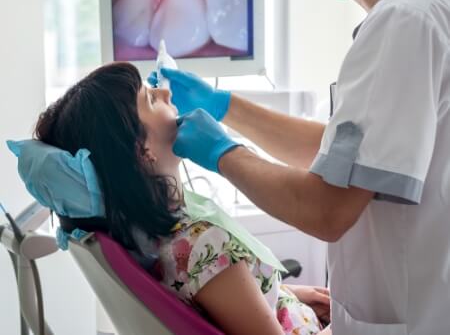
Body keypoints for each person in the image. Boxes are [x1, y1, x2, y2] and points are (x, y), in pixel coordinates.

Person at [150, 0, 450, 334]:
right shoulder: (430, 6)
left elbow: (327, 210)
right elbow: (345, 156)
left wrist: (223, 153)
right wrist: (225, 107)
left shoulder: (402, 23)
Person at [34, 62, 331, 335]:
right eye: (151, 98)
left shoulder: (154, 239)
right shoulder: (202, 245)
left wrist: (284, 295)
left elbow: (223, 302)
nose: (165, 91)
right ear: (142, 150)